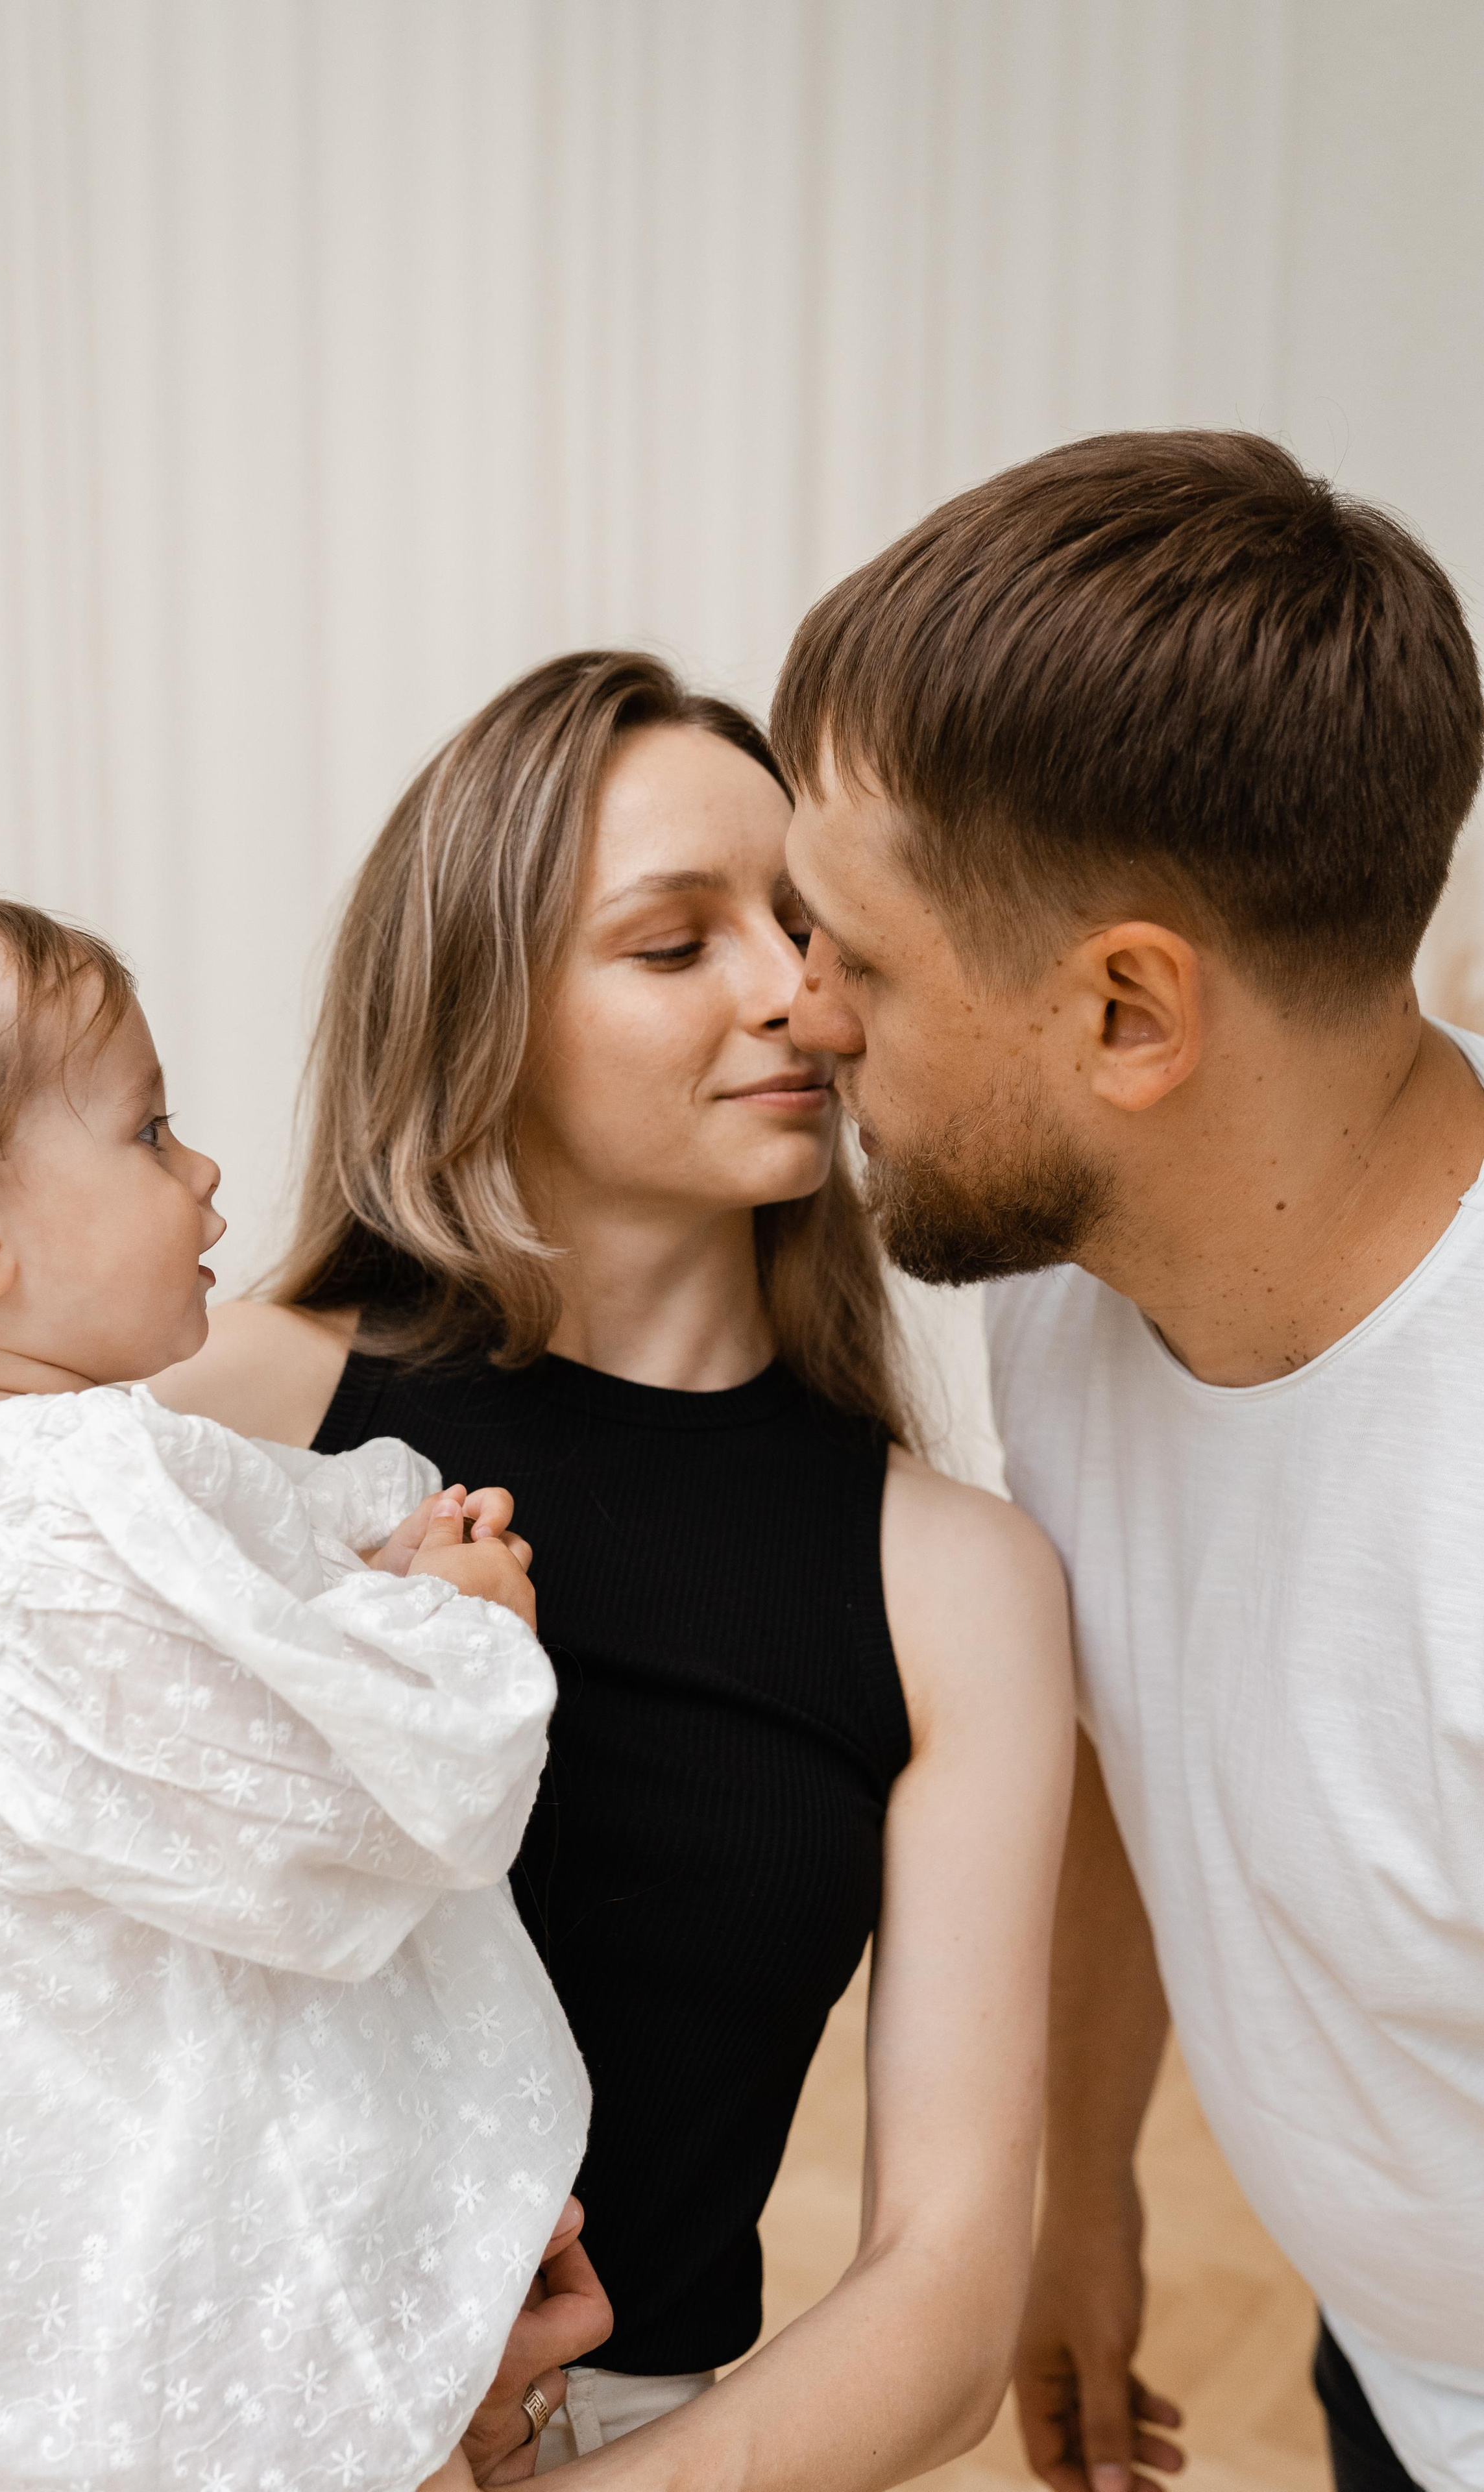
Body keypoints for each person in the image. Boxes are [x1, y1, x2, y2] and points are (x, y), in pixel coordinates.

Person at [152, 649, 1075, 2489]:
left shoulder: (959, 1579)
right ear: (484, 1011)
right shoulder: (222, 1417)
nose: (794, 995)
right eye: (678, 947)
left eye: (810, 928)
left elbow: (948, 2291)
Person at [775, 430, 1484, 2492]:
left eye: (860, 958)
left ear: (1124, 1015)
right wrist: (1080, 2185)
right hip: (1397, 2357)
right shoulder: (1078, 1274)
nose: (798, 1011)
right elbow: (1130, 1728)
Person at [0, 894, 594, 2492]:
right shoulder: (58, 1491)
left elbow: (190, 1687)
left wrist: (344, 1588)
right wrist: (453, 1629)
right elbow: (320, 1828)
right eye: (149, 1127)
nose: (204, 1170)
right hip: (199, 2192)